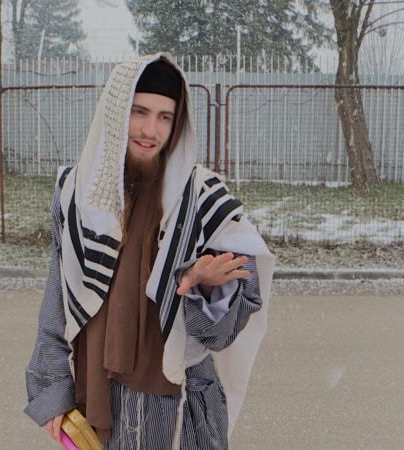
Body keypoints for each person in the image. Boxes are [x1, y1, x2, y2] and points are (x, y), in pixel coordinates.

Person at [24, 53, 275, 449]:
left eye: (164, 117)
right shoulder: (77, 193)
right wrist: (53, 386)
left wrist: (204, 287)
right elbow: (59, 296)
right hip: (97, 394)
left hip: (177, 409)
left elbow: (219, 334)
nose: (149, 130)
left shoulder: (204, 199)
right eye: (138, 112)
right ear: (115, 112)